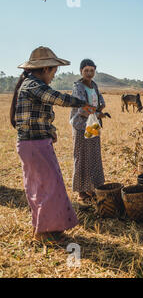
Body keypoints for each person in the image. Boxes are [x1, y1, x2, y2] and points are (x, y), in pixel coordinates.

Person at [10, 46, 95, 243]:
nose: (53, 76)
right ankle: (43, 232)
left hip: (35, 142)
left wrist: (50, 131)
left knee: (42, 186)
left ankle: (48, 228)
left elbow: (38, 116)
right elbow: (56, 97)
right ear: (46, 69)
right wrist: (81, 103)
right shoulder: (34, 85)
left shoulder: (31, 84)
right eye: (54, 72)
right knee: (48, 187)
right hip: (34, 144)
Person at [70, 59, 108, 205]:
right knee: (81, 156)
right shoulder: (78, 87)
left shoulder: (94, 85)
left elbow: (100, 101)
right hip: (81, 125)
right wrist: (97, 113)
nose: (89, 73)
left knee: (93, 155)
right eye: (86, 70)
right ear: (81, 71)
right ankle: (81, 192)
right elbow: (81, 108)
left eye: (91, 70)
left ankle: (91, 188)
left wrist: (99, 109)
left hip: (92, 124)